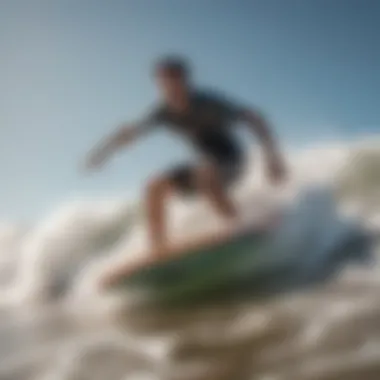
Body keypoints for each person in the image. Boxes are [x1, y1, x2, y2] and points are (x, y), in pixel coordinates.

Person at [84, 56, 287, 261]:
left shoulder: (209, 103)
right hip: (206, 167)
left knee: (205, 173)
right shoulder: (162, 113)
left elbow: (254, 118)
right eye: (164, 82)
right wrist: (101, 154)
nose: (170, 86)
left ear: (185, 80)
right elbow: (129, 133)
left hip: (232, 161)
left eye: (175, 79)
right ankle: (160, 252)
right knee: (154, 186)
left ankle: (237, 227)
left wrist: (273, 159)